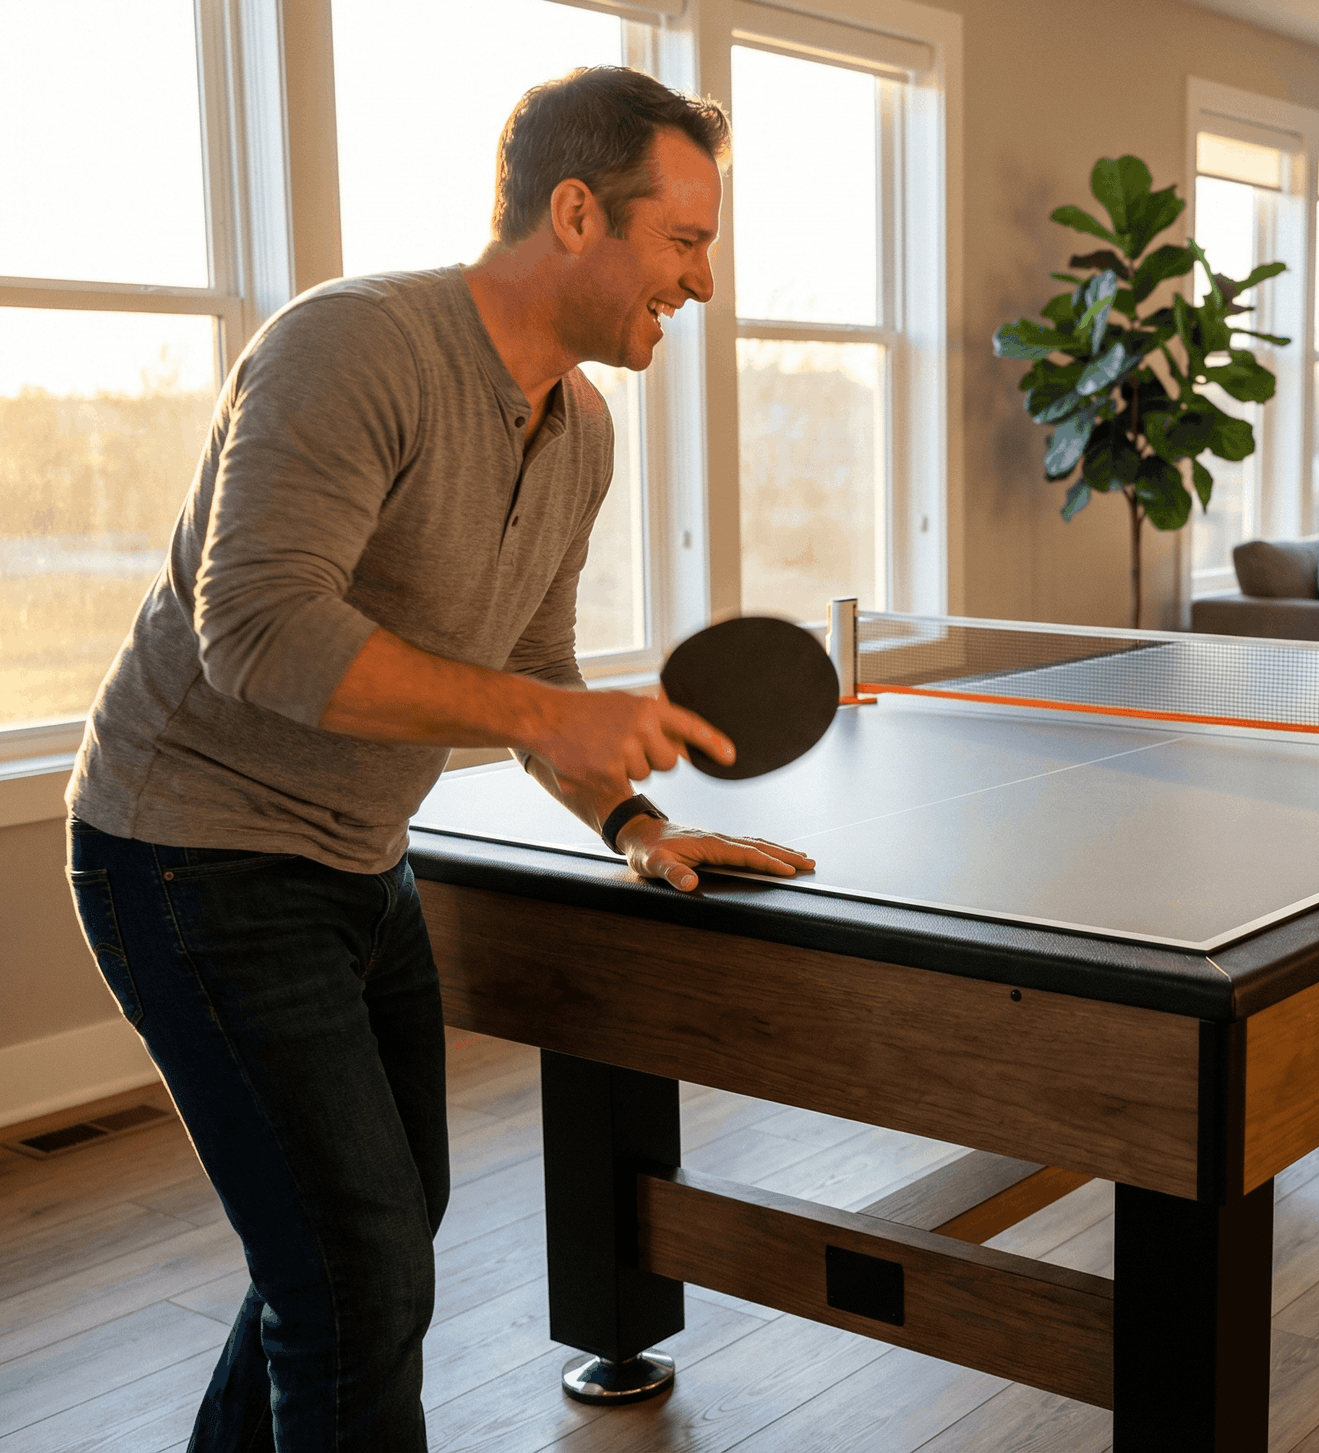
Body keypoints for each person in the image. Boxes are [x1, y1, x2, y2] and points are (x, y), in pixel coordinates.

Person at [63, 67, 809, 1451]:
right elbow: (260, 632)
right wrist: (544, 720)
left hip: (355, 860)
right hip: (188, 854)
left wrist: (637, 820)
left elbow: (536, 673)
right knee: (356, 1267)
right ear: (576, 212)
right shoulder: (350, 348)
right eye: (685, 241)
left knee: (368, 1235)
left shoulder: (578, 428)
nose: (701, 283)